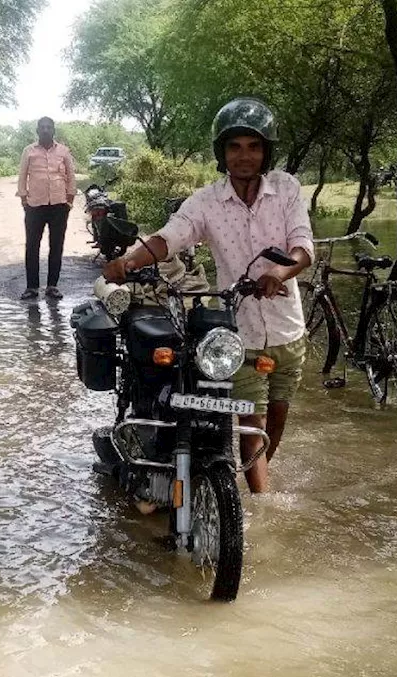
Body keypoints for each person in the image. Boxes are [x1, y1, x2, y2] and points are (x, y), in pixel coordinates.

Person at [103, 97, 313, 494]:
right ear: (222, 152)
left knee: (276, 424)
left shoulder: (286, 189)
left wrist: (282, 270)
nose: (244, 156)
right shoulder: (206, 201)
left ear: (266, 151)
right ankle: (260, 511)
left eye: (253, 146)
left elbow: (302, 242)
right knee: (252, 425)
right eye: (234, 147)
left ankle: (251, 486)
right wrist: (128, 263)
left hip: (290, 329)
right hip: (240, 336)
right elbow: (171, 236)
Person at [16, 117, 76, 301]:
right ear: (37, 130)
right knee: (32, 246)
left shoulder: (64, 151)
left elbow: (71, 176)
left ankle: (52, 286)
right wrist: (24, 199)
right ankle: (32, 288)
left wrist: (69, 200)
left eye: (48, 127)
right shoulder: (29, 151)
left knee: (56, 246)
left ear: (53, 130)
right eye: (42, 127)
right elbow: (22, 175)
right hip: (35, 206)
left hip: (59, 206)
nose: (45, 130)